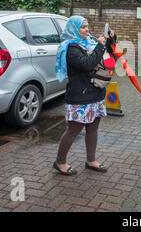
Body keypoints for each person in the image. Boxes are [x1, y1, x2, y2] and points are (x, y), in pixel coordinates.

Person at [53, 16, 115, 175]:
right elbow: (87, 64)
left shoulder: (90, 42)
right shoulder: (71, 48)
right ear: (74, 29)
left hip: (95, 93)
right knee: (73, 130)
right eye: (83, 27)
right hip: (80, 95)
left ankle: (91, 160)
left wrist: (111, 39)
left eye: (87, 26)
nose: (87, 29)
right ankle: (60, 162)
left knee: (93, 128)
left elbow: (106, 52)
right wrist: (99, 47)